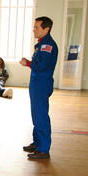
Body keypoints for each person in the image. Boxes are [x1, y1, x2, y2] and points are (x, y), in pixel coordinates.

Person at [20, 16, 58, 160]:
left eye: (37, 27)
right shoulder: (41, 44)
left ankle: (43, 149)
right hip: (36, 83)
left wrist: (27, 63)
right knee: (36, 115)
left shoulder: (48, 45)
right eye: (34, 27)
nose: (33, 29)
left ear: (46, 29)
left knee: (41, 115)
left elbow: (41, 66)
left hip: (42, 83)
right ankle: (37, 143)